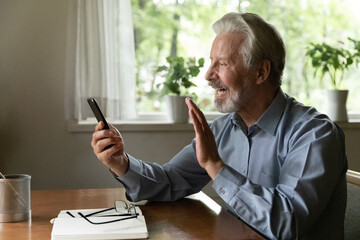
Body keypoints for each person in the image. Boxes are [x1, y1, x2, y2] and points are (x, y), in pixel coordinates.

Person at [91, 12, 348, 239]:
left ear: (260, 72)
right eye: (211, 62)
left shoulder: (315, 134)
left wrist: (216, 166)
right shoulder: (223, 129)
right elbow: (172, 181)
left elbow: (287, 224)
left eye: (222, 64)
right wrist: (122, 163)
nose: (208, 75)